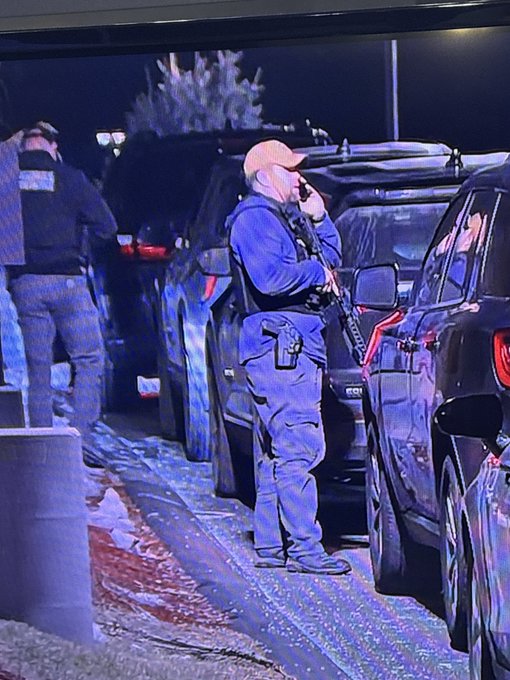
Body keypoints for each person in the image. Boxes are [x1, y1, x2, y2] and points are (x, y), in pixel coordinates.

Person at [228, 139, 351, 575]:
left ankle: (270, 545)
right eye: (289, 170)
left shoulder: (283, 217)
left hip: (289, 345)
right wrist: (316, 274)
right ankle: (304, 548)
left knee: (276, 451)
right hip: (281, 348)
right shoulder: (256, 219)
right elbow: (271, 278)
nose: (299, 178)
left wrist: (320, 218)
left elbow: (329, 259)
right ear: (265, 176)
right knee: (298, 446)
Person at [7, 121, 117, 452]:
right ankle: (80, 439)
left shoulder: (6, 183)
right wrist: (82, 247)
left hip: (26, 285)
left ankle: (44, 448)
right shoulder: (70, 178)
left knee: (38, 370)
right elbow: (107, 226)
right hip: (69, 283)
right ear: (53, 147)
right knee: (89, 358)